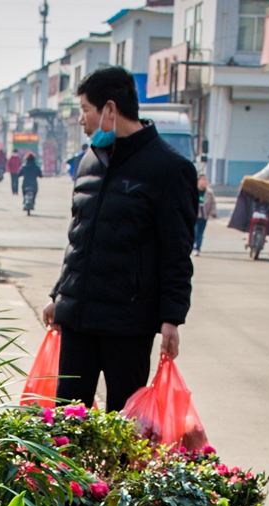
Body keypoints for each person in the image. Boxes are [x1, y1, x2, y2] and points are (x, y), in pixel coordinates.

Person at [43, 65, 196, 411]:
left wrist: (171, 317)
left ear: (110, 109)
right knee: (66, 420)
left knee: (122, 423)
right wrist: (60, 295)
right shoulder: (89, 161)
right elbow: (79, 239)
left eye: (85, 110)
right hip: (78, 318)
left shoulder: (169, 169)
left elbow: (176, 251)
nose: (81, 120)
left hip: (127, 324)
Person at [195, 172, 217, 253]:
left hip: (204, 215)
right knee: (195, 231)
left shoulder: (209, 192)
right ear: (198, 181)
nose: (205, 182)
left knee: (200, 233)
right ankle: (193, 246)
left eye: (206, 180)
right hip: (194, 215)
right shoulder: (193, 190)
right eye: (203, 179)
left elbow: (213, 203)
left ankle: (197, 248)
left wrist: (213, 212)